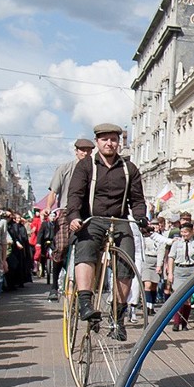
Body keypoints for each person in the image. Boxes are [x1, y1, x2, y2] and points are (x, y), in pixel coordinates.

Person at [66, 124, 148, 340]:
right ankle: (85, 303)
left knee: (127, 261)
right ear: (97, 142)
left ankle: (117, 317)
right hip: (92, 219)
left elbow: (137, 200)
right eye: (105, 140)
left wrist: (141, 217)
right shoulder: (86, 166)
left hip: (118, 220)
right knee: (86, 247)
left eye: (113, 139)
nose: (109, 143)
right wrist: (74, 216)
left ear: (118, 143)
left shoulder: (129, 168)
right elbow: (75, 194)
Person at [45, 137, 95, 301]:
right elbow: (53, 191)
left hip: (88, 213)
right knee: (61, 245)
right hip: (67, 212)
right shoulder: (65, 168)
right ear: (76, 151)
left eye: (88, 151)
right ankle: (54, 287)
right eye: (82, 150)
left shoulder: (95, 169)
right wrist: (49, 208)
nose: (86, 153)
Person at [166, 222, 194, 330]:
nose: (184, 234)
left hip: (190, 270)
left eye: (186, 232)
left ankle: (184, 322)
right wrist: (170, 273)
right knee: (177, 296)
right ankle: (176, 322)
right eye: (182, 232)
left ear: (191, 232)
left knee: (187, 298)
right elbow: (171, 257)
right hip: (179, 270)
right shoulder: (176, 243)